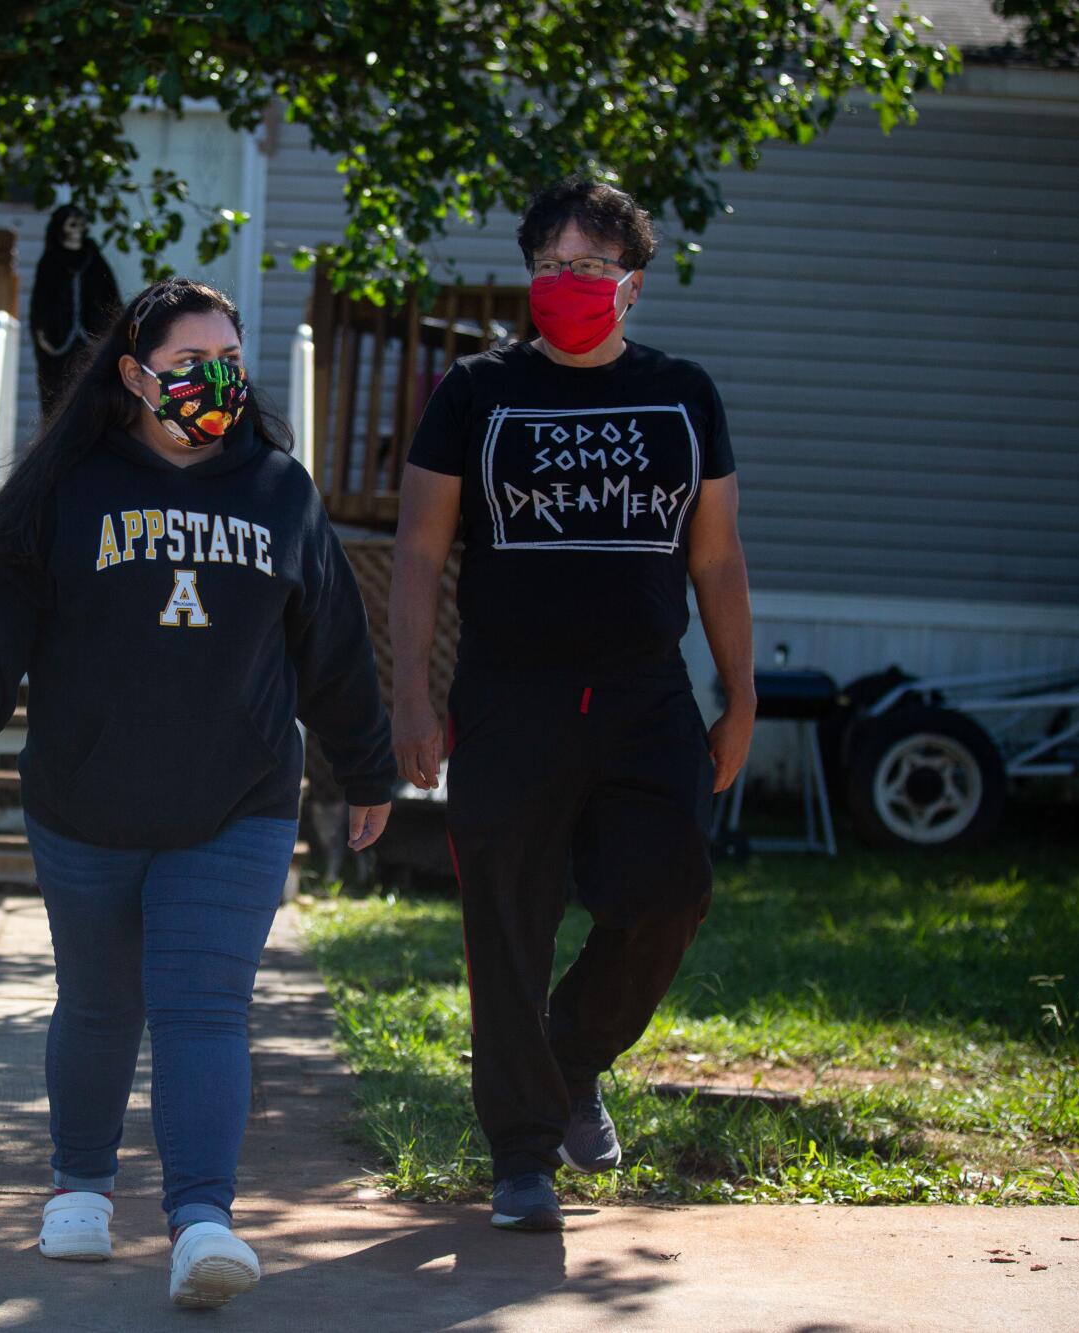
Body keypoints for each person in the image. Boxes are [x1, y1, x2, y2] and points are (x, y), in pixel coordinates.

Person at [0, 277, 395, 1308]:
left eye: (227, 360)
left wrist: (366, 765)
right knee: (97, 1001)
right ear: (134, 376)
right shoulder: (64, 488)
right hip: (84, 799)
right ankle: (79, 1185)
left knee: (203, 1007)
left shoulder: (278, 490)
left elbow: (335, 649)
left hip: (238, 798)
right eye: (188, 365)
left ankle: (202, 1222)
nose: (213, 381)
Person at [390, 177, 755, 1233]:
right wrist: (410, 695)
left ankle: (571, 1056)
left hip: (646, 699)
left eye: (589, 267)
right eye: (548, 265)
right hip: (509, 701)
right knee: (505, 921)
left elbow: (718, 560)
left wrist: (738, 698)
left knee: (667, 890)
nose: (566, 284)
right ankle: (519, 1154)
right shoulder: (474, 392)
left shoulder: (682, 394)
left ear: (630, 284)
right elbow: (416, 553)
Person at [28, 205, 122, 414]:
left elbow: (108, 293)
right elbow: (41, 301)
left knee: (90, 383)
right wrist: (43, 332)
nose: (77, 229)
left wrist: (112, 328)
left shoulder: (92, 256)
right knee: (60, 387)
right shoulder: (51, 260)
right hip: (59, 341)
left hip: (90, 337)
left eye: (81, 223)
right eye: (72, 224)